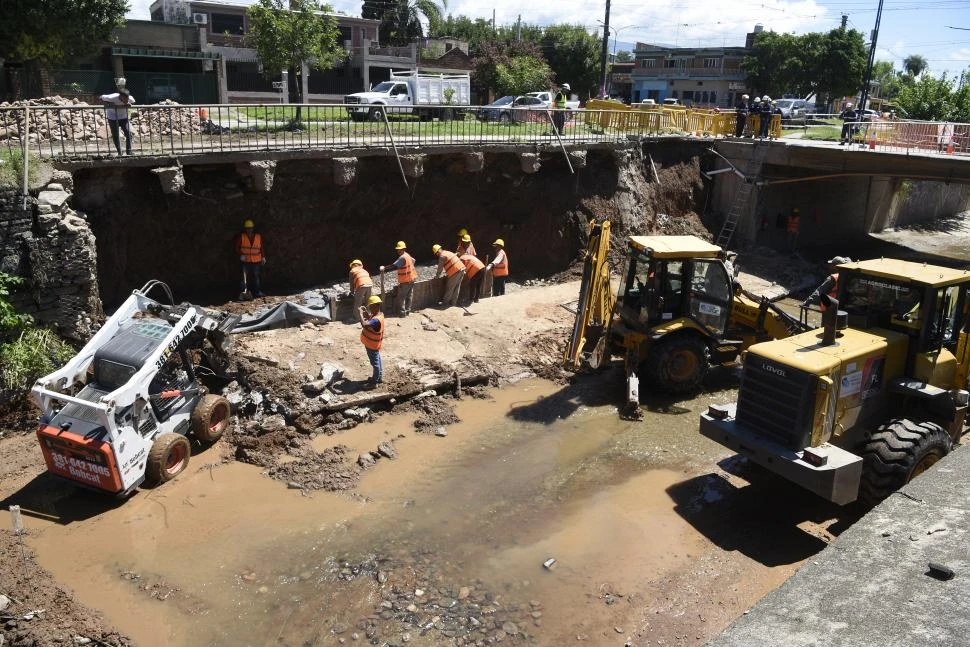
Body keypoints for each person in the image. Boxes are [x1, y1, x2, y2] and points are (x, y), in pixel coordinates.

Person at [379, 241, 417, 317]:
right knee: (409, 296)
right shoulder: (407, 255)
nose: (398, 251)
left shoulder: (402, 258)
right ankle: (408, 311)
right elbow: (414, 261)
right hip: (412, 278)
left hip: (405, 280)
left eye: (400, 249)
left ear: (403, 249)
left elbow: (394, 266)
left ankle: (402, 313)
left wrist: (384, 268)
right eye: (398, 249)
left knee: (401, 297)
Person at [100, 81, 136, 156]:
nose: (126, 101)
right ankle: (120, 153)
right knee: (116, 135)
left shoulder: (130, 98)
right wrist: (108, 104)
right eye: (124, 99)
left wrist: (129, 104)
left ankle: (129, 151)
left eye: (127, 99)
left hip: (124, 117)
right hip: (112, 118)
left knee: (128, 133)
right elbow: (101, 97)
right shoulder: (111, 97)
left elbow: (133, 102)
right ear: (120, 96)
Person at [359, 295, 385, 389]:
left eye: (370, 307)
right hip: (374, 344)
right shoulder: (379, 314)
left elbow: (365, 324)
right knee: (377, 359)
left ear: (376, 306)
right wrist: (367, 314)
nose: (369, 308)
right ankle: (379, 377)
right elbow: (371, 319)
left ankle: (374, 383)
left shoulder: (376, 320)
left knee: (375, 363)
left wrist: (361, 314)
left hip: (372, 345)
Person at [236, 219, 265, 299]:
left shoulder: (258, 237)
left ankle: (257, 292)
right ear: (245, 229)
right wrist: (241, 255)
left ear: (253, 228)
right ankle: (242, 293)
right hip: (246, 261)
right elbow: (237, 247)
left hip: (256, 260)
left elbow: (261, 247)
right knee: (243, 278)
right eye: (247, 228)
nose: (249, 230)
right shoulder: (242, 237)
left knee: (256, 277)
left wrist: (263, 257)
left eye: (250, 228)